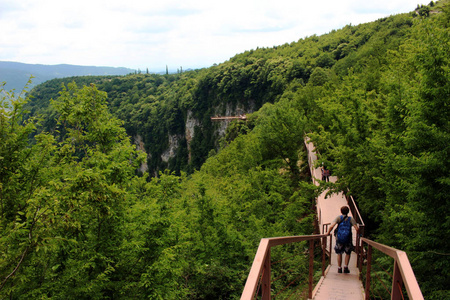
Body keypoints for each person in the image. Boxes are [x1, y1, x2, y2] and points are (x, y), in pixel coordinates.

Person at [326, 206, 359, 273]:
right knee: (348, 252)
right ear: (348, 211)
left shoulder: (339, 218)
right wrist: (360, 235)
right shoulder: (351, 219)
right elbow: (357, 229)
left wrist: (328, 233)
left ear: (341, 211)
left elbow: (332, 226)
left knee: (339, 253)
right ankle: (346, 267)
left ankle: (339, 268)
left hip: (339, 238)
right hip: (348, 238)